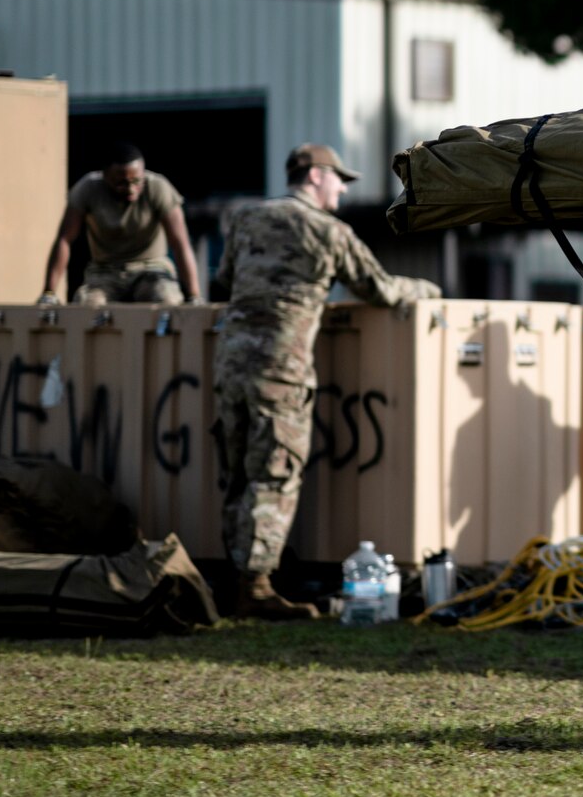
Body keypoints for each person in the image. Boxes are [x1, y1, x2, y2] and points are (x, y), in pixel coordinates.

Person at [211, 143, 440, 620]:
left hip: (231, 363)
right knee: (273, 474)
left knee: (237, 474)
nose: (342, 188)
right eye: (339, 178)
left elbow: (226, 280)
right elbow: (376, 288)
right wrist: (425, 289)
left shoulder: (246, 219)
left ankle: (235, 579)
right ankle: (254, 586)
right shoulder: (327, 231)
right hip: (281, 367)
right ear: (315, 176)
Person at [39, 142, 201, 305]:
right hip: (105, 272)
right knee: (86, 304)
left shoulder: (157, 187)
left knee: (166, 299)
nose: (131, 189)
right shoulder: (88, 188)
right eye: (122, 183)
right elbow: (65, 239)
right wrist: (49, 292)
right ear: (105, 176)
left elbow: (180, 242)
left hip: (151, 269)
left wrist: (194, 295)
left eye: (137, 181)